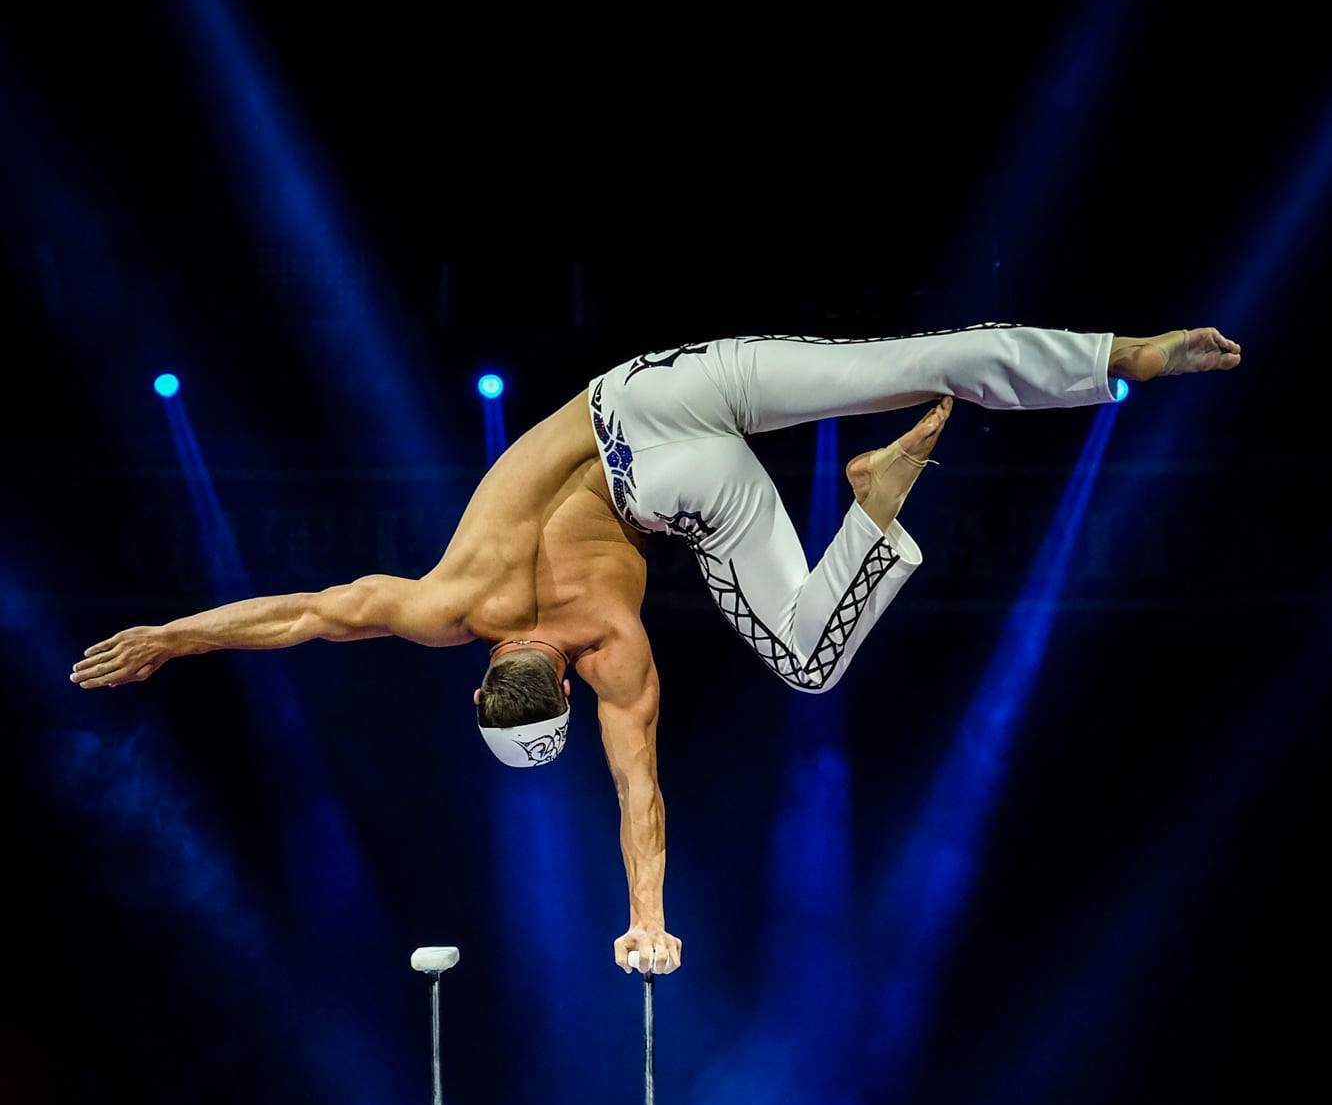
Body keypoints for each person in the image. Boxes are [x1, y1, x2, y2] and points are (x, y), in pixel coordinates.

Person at [71, 324, 1240, 975]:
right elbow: (304, 613)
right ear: (485, 681)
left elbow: (642, 796)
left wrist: (649, 919)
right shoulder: (447, 601)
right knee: (909, 357)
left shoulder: (613, 648)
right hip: (647, 390)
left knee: (810, 658)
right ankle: (1125, 352)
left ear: (558, 687)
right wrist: (172, 635)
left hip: (685, 486)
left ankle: (876, 509)